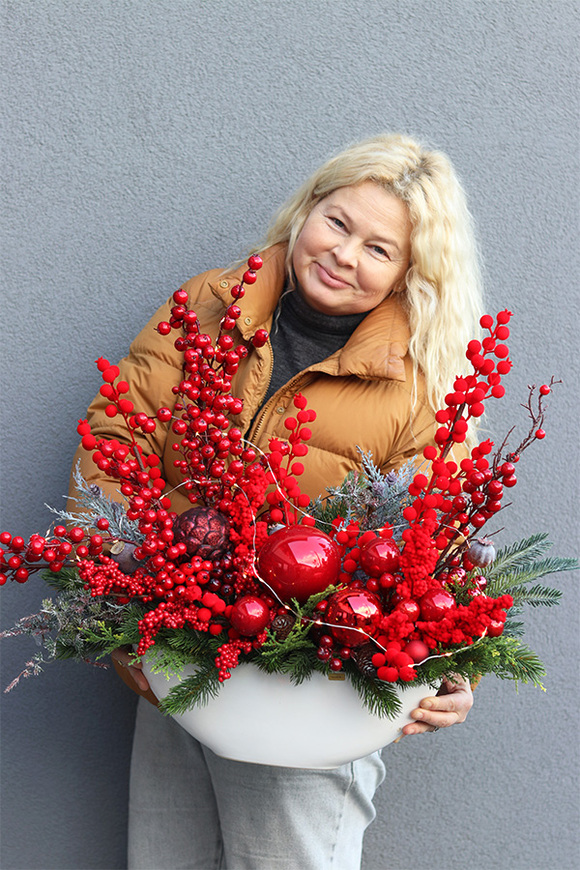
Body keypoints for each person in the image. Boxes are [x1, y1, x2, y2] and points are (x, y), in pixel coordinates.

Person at [71, 133, 480, 869]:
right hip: (177, 670)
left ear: (409, 274)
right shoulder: (207, 306)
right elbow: (114, 443)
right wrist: (124, 614)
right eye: (337, 222)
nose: (344, 254)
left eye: (379, 250)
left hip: (318, 693)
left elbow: (438, 543)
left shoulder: (426, 382)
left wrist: (452, 671)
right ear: (306, 210)